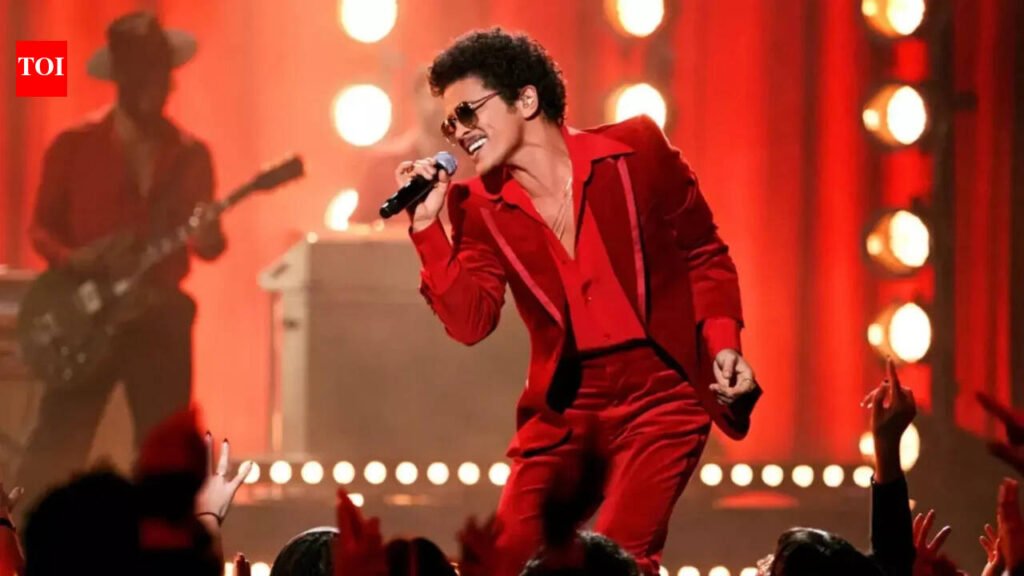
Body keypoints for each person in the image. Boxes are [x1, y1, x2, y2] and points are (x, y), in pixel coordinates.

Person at [399, 28, 761, 575]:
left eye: (468, 112)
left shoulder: (637, 151)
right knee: (500, 562)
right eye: (451, 124)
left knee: (616, 558)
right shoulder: (476, 205)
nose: (459, 133)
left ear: (526, 99)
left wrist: (723, 344)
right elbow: (471, 322)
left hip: (661, 396)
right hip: (566, 410)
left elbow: (703, 252)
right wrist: (428, 228)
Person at [17, 11, 225, 506]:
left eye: (159, 71)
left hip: (158, 317)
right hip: (87, 316)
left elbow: (210, 246)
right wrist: (77, 260)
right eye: (142, 71)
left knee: (166, 455)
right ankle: (24, 535)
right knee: (56, 445)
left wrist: (208, 234)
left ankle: (165, 534)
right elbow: (40, 229)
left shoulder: (191, 155)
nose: (155, 84)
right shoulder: (73, 147)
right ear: (121, 78)